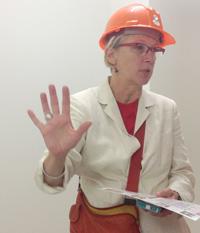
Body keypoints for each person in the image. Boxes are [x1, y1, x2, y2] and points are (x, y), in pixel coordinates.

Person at [28, 3, 195, 233]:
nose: (150, 58)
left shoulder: (167, 108)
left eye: (155, 49)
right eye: (139, 47)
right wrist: (57, 156)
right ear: (111, 54)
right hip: (102, 225)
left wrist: (176, 192)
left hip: (162, 227)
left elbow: (182, 172)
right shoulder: (83, 105)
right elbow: (51, 182)